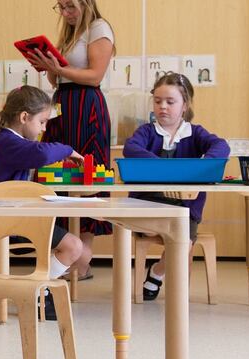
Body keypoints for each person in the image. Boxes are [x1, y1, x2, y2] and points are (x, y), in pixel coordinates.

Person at [28, 0, 115, 280]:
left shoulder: (99, 28)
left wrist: (60, 69)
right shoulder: (68, 34)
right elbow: (57, 82)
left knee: (86, 175)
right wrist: (49, 68)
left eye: (71, 7)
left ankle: (82, 257)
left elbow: (95, 76)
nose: (65, 13)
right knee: (57, 172)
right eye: (61, 7)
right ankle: (67, 250)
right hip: (63, 104)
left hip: (87, 106)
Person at [124, 73, 229, 301]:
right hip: (147, 204)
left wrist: (205, 163)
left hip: (185, 207)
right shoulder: (147, 131)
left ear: (185, 105)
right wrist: (163, 167)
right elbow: (130, 148)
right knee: (158, 231)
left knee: (183, 243)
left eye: (170, 102)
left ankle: (156, 272)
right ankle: (164, 252)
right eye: (158, 101)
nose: (163, 107)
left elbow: (221, 146)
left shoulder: (195, 133)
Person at [0, 86, 88, 320]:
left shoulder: (11, 141)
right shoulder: (9, 142)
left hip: (17, 218)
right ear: (24, 117)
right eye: (42, 122)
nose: (44, 129)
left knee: (79, 251)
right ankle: (37, 291)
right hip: (10, 222)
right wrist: (68, 150)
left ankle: (40, 290)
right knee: (74, 247)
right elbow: (42, 154)